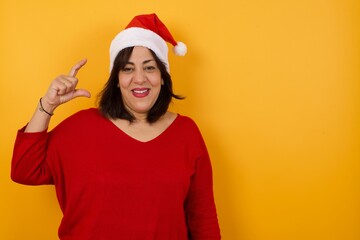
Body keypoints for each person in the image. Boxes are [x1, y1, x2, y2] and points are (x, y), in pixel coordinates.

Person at [11, 13, 221, 240]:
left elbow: (203, 221)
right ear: (116, 79)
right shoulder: (81, 128)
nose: (139, 78)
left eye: (149, 68)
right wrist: (48, 104)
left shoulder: (186, 133)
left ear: (163, 76)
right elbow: (24, 169)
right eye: (128, 69)